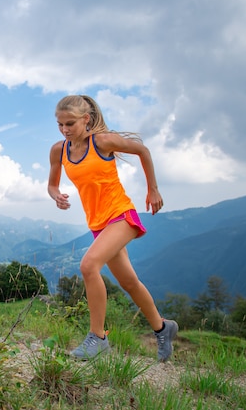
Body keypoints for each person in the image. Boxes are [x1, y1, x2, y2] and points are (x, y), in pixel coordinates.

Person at [47, 95, 178, 362]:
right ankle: (163, 328)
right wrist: (56, 195)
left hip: (121, 215)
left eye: (70, 123)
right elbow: (52, 183)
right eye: (60, 124)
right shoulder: (58, 150)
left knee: (88, 266)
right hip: (98, 224)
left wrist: (153, 189)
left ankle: (98, 337)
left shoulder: (103, 142)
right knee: (129, 282)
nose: (64, 130)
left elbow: (143, 150)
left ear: (87, 119)